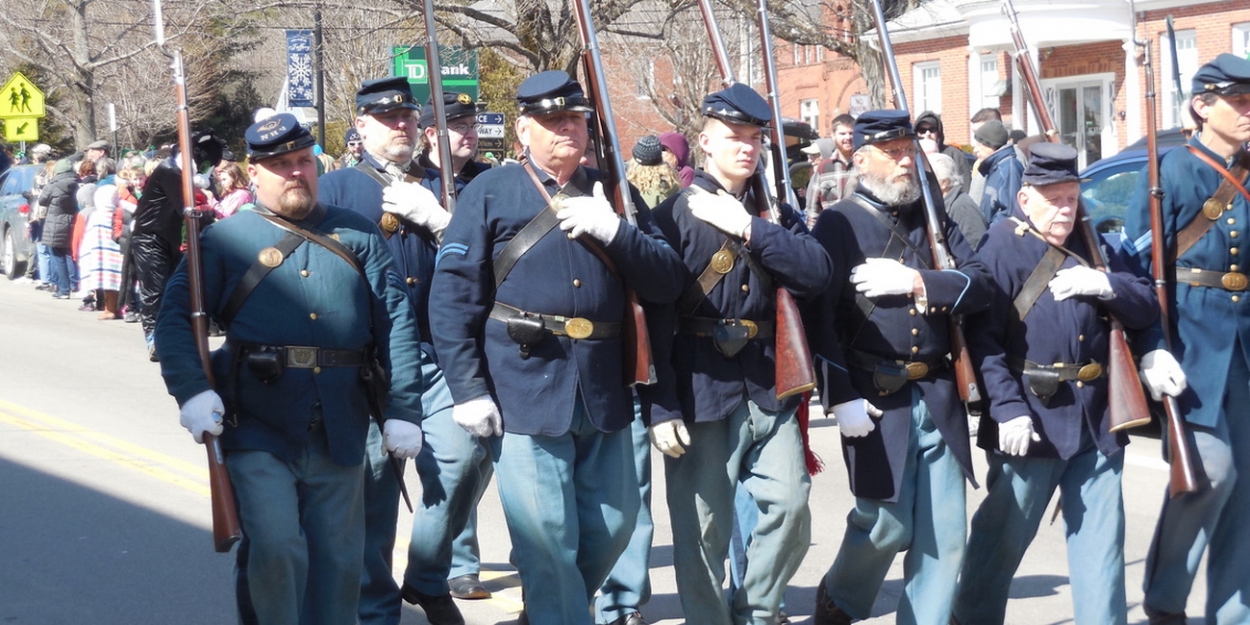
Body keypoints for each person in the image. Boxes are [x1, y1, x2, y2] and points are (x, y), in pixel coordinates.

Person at [154, 113, 433, 625]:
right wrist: (192, 391)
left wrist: (403, 409)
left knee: (340, 561)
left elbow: (396, 323)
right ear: (254, 173)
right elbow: (173, 324)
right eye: (281, 165)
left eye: (303, 161)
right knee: (279, 544)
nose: (296, 172)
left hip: (341, 424)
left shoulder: (358, 234)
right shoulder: (223, 241)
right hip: (257, 421)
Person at [429, 69, 684, 625]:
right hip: (522, 384)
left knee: (615, 525)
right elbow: (453, 298)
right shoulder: (490, 191)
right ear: (524, 129)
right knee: (547, 540)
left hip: (602, 386)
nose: (566, 129)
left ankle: (548, 608)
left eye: (574, 118)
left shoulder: (615, 190)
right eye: (552, 121)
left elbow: (668, 282)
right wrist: (468, 389)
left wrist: (617, 230)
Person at [644, 83, 831, 625]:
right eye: (733, 136)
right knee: (702, 531)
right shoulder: (671, 216)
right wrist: (661, 405)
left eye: (754, 138)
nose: (745, 147)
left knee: (792, 508)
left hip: (767, 383)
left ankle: (754, 607)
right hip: (699, 386)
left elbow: (817, 273)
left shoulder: (773, 214)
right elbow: (653, 320)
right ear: (705, 142)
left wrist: (750, 228)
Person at [953, 142, 1157, 625]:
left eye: (1071, 197)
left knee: (1102, 546)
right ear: (1025, 199)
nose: (1065, 208)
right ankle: (971, 617)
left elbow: (1146, 302)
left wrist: (1106, 285)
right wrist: (1005, 407)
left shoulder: (1090, 240)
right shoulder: (1002, 244)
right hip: (1033, 414)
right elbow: (982, 337)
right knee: (1003, 536)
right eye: (1053, 198)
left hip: (1098, 417)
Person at [807, 110, 993, 625]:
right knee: (886, 524)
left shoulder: (934, 216)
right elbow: (818, 319)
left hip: (937, 392)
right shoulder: (838, 222)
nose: (904, 161)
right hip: (874, 392)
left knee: (945, 538)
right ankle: (839, 599)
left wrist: (918, 283)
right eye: (892, 153)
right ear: (861, 158)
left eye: (908, 150)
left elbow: (981, 283)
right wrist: (837, 393)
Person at [1120, 53, 1250, 625]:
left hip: (1244, 344)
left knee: (1246, 490)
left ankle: (1234, 612)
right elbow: (1134, 264)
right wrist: (1152, 343)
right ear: (1202, 106)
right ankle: (1166, 598)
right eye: (1240, 101)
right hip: (1192, 343)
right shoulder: (1169, 170)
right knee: (1209, 473)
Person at [592, 133, 683, 625]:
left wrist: (619, 229)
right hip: (547, 371)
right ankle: (558, 589)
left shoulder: (626, 203)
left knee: (630, 498)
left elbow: (665, 278)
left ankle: (623, 601)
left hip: (619, 366)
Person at [132, 131, 222, 360]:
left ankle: (174, 337)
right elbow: (187, 207)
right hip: (149, 237)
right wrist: (211, 212)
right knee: (156, 289)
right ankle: (153, 338)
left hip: (170, 238)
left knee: (174, 290)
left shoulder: (187, 175)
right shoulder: (169, 171)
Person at [79, 158, 124, 319]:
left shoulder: (98, 216)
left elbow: (90, 240)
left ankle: (110, 309)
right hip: (116, 254)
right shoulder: (118, 212)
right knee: (116, 282)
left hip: (104, 257)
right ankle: (114, 308)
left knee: (109, 282)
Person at [38, 159, 79, 300]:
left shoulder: (53, 185)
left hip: (56, 222)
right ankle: (74, 283)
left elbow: (42, 200)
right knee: (69, 254)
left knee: (58, 255)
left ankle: (63, 289)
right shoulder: (77, 183)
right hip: (73, 221)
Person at [805, 114, 857, 223]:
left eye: (851, 133)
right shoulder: (824, 167)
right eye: (842, 133)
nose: (848, 137)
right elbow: (813, 212)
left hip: (861, 233)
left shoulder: (865, 164)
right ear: (833, 135)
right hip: (832, 234)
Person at [928, 152, 986, 246]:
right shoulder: (946, 205)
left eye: (928, 179)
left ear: (944, 183)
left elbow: (975, 247)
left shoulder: (962, 208)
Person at [974, 119, 1023, 226]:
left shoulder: (1009, 168)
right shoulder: (995, 167)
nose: (975, 150)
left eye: (979, 144)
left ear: (991, 144)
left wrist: (991, 235)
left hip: (1001, 238)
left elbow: (1011, 213)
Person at [914, 111, 972, 193]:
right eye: (922, 130)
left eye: (932, 129)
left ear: (939, 132)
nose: (927, 134)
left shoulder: (954, 154)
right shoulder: (912, 156)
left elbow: (965, 185)